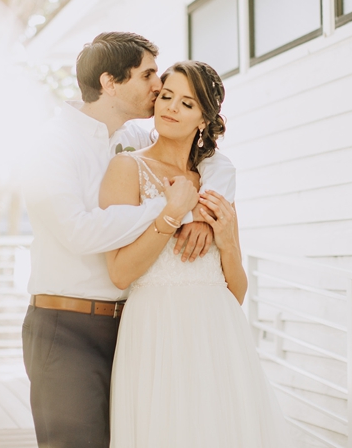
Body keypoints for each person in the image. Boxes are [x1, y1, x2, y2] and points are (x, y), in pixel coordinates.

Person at [20, 33, 236, 448]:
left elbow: (209, 158)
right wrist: (172, 212)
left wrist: (207, 215)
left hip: (132, 326)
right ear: (110, 83)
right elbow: (80, 232)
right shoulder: (50, 145)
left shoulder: (132, 137)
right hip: (67, 326)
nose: (158, 88)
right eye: (149, 75)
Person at [101, 61, 292, 448]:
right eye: (166, 96)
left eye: (187, 104)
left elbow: (235, 292)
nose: (171, 108)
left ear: (204, 118)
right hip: (156, 333)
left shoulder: (215, 181)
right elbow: (120, 274)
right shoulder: (126, 169)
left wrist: (228, 241)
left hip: (219, 336)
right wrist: (172, 215)